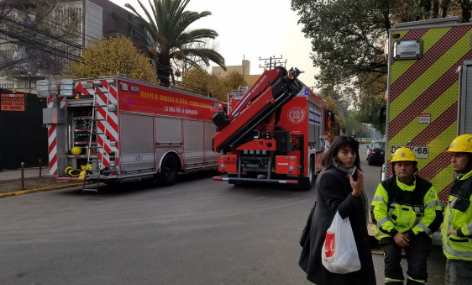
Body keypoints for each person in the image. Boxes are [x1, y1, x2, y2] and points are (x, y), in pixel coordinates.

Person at [299, 135, 376, 285]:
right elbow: (338, 212)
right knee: (339, 276)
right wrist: (355, 192)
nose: (350, 156)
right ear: (335, 153)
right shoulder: (329, 176)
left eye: (353, 152)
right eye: (344, 152)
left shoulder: (348, 172)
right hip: (336, 237)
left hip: (348, 234)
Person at [371, 147, 442, 285]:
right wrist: (395, 233)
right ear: (394, 167)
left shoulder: (426, 188)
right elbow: (377, 213)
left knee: (418, 267)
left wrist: (410, 234)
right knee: (391, 262)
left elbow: (433, 217)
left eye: (407, 164)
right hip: (390, 233)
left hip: (417, 234)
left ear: (414, 167)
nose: (403, 168)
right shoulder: (385, 186)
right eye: (399, 164)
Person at [443, 134, 472, 285]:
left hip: (466, 255)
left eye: (458, 155)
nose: (452, 160)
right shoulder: (462, 179)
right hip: (455, 252)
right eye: (452, 155)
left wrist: (460, 232)